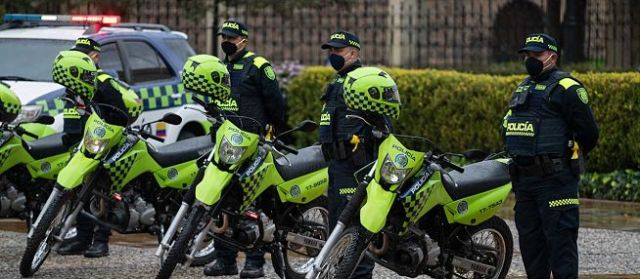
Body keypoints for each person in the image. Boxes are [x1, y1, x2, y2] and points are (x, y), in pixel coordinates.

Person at [502, 33, 599, 279]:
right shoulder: (523, 86)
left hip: (555, 182)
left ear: (552, 57)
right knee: (532, 250)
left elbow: (589, 133)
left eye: (536, 55)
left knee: (561, 249)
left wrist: (566, 158)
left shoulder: (568, 88)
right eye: (527, 55)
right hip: (525, 183)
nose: (530, 60)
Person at [203, 20, 285, 279]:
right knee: (220, 201)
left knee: (252, 200)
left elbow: (276, 104)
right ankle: (225, 259)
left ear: (243, 40)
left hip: (252, 142)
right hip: (225, 142)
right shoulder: (219, 67)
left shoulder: (259, 66)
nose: (226, 40)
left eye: (231, 36)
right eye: (223, 36)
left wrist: (274, 132)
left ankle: (255, 261)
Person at [57, 37, 140, 258]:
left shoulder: (103, 80)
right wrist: (71, 135)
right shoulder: (74, 79)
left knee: (101, 193)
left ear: (95, 57)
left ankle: (101, 241)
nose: (82, 58)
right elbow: (72, 110)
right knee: (78, 192)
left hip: (102, 143)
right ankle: (83, 239)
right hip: (81, 143)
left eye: (86, 54)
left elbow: (120, 113)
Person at [318, 31, 383, 279]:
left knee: (354, 224)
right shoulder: (337, 83)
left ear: (353, 53)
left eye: (337, 51)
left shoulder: (365, 81)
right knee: (338, 222)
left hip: (356, 165)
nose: (332, 55)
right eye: (330, 51)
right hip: (337, 164)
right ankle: (343, 271)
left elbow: (383, 123)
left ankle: (360, 274)